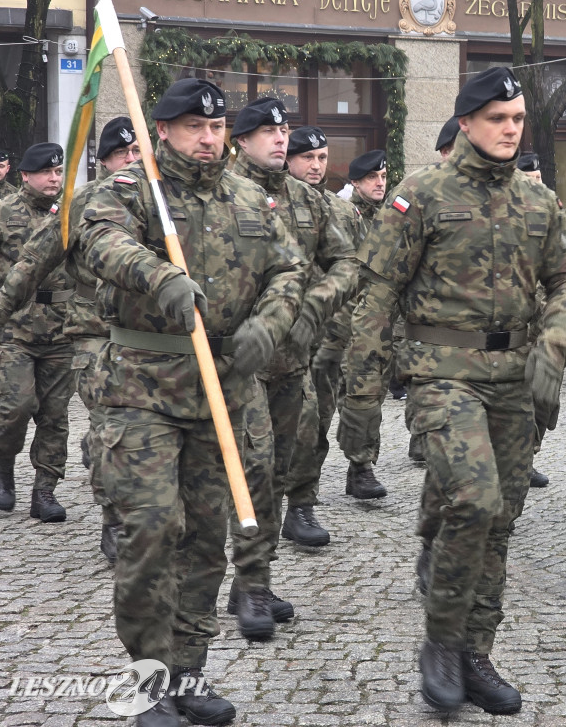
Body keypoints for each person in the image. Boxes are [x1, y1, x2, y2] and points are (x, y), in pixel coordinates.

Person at [340, 66, 566, 714]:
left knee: (501, 520)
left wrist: (555, 344)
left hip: (513, 382)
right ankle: (442, 643)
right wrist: (361, 391)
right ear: (469, 123)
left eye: (518, 120)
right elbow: (380, 293)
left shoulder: (539, 202)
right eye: (498, 119)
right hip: (440, 373)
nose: (510, 130)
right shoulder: (421, 194)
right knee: (473, 502)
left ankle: (478, 650)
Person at [76, 78, 306, 727]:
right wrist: (162, 277)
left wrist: (269, 323)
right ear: (165, 131)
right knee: (152, 530)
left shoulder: (248, 196)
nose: (209, 139)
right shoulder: (128, 191)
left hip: (222, 389)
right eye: (194, 128)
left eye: (217, 127)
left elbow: (290, 270)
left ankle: (188, 672)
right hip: (142, 387)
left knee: (207, 540)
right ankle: (147, 684)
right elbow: (101, 242)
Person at [228, 98, 356, 640]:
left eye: (283, 131)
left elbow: (348, 264)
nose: (279, 140)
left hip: (293, 362)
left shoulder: (309, 200)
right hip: (238, 364)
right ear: (241, 141)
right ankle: (249, 584)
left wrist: (315, 306)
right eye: (266, 132)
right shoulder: (225, 194)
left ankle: (255, 577)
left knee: (281, 471)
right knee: (252, 471)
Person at [285, 126, 366, 541]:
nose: (315, 166)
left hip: (329, 338)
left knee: (315, 424)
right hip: (276, 335)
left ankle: (301, 506)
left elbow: (360, 270)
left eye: (321, 158)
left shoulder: (342, 211)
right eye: (307, 158)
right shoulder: (266, 201)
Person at [69, 117, 141, 561]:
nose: (131, 161)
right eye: (122, 154)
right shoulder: (83, 203)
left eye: (137, 153)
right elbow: (41, 258)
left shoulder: (158, 201)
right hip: (93, 330)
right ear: (103, 161)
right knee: (108, 428)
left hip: (140, 333)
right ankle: (113, 520)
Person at [0, 143, 74, 523]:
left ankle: (44, 491)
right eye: (46, 172)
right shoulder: (4, 211)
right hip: (16, 329)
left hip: (62, 329)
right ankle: (3, 467)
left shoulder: (71, 214)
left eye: (58, 172)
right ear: (25, 175)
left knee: (56, 416)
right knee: (15, 407)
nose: (54, 179)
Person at [339, 148, 391, 498]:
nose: (380, 183)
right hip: (344, 322)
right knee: (357, 396)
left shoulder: (390, 217)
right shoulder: (344, 215)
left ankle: (361, 466)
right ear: (355, 182)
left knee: (371, 395)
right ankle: (358, 464)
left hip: (380, 323)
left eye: (384, 177)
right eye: (373, 177)